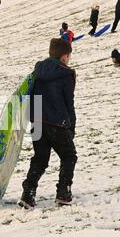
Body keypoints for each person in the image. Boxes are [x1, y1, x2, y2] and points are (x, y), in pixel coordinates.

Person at [18, 38, 78, 209]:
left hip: (37, 121)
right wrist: (71, 125)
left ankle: (27, 194)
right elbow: (69, 103)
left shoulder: (37, 71)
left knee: (40, 159)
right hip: (57, 123)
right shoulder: (66, 73)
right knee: (69, 156)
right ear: (65, 56)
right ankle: (63, 193)